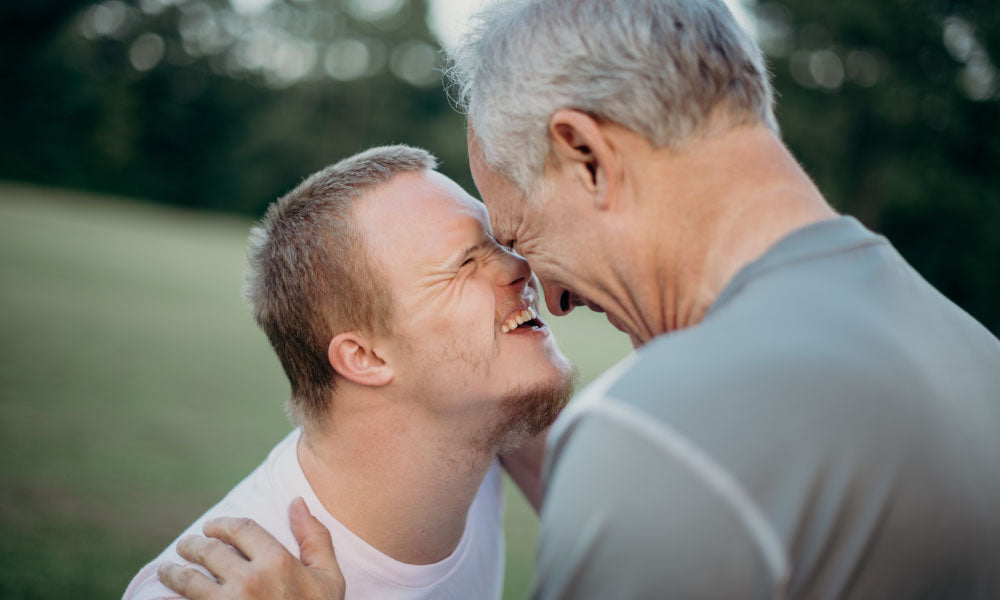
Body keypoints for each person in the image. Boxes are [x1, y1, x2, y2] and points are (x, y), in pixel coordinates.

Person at [163, 0, 1000, 598]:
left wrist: (635, 445)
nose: (550, 296)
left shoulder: (664, 437)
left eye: (520, 234)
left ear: (588, 157)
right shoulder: (969, 349)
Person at [126, 144, 574, 600]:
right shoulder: (215, 587)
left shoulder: (484, 422)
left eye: (500, 242)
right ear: (365, 357)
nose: (521, 266)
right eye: (464, 263)